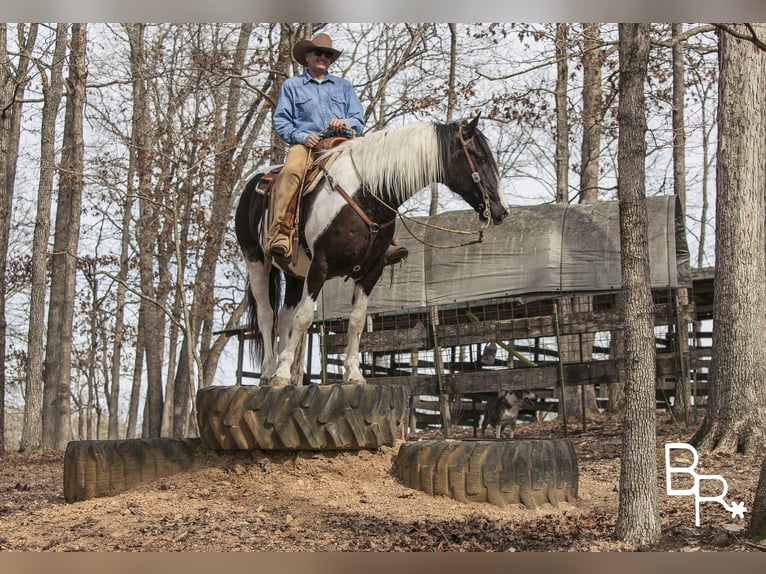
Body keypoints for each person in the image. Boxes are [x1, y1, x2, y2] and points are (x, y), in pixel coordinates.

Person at [269, 32, 407, 265]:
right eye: (318, 53)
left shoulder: (343, 87)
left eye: (328, 54)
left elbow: (358, 119)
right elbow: (281, 121)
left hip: (341, 143)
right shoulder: (292, 86)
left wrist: (345, 123)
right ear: (307, 56)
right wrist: (302, 136)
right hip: (308, 146)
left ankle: (386, 240)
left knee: (373, 172)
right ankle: (281, 232)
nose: (323, 57)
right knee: (291, 172)